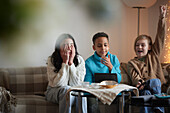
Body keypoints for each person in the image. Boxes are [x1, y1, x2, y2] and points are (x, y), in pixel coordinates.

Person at [127, 5, 167, 113]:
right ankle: (159, 108)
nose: (139, 47)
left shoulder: (153, 55)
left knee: (150, 90)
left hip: (153, 88)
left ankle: (157, 109)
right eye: (137, 45)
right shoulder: (131, 63)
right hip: (141, 88)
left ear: (149, 47)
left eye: (142, 45)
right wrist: (139, 83)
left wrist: (162, 18)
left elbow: (160, 37)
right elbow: (134, 77)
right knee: (146, 90)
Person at [45, 33, 87, 113]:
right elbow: (57, 84)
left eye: (71, 45)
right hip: (54, 90)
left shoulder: (80, 60)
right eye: (65, 45)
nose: (68, 48)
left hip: (73, 90)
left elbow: (77, 84)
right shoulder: (52, 60)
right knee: (67, 90)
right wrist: (65, 63)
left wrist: (71, 63)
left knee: (81, 91)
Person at [84, 32, 121, 113]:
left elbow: (119, 80)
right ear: (94, 47)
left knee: (122, 98)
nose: (103, 48)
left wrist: (111, 67)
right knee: (89, 98)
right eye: (99, 46)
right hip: (95, 93)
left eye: (105, 45)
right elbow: (88, 82)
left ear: (109, 46)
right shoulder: (89, 62)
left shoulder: (114, 59)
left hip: (112, 91)